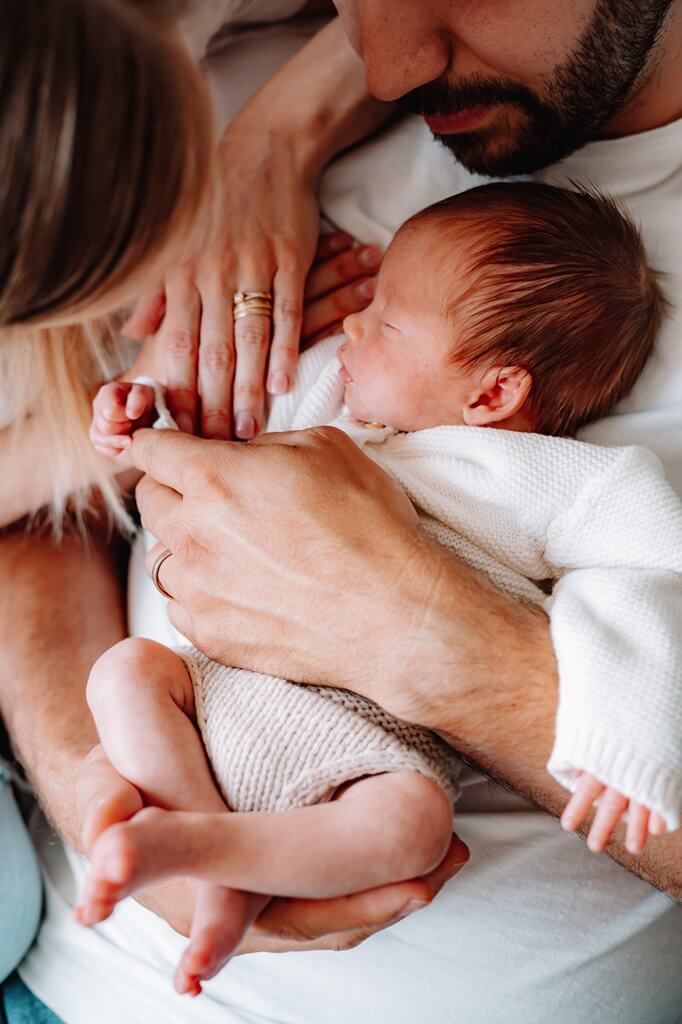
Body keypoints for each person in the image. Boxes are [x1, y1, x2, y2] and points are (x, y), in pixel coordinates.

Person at [2, 1, 682, 1022]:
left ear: (494, 392)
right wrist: (104, 799)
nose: (389, 62)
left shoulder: (545, 469)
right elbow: (44, 527)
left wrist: (440, 641)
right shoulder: (245, 182)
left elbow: (643, 559)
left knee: (404, 821)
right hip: (87, 975)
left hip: (377, 791)